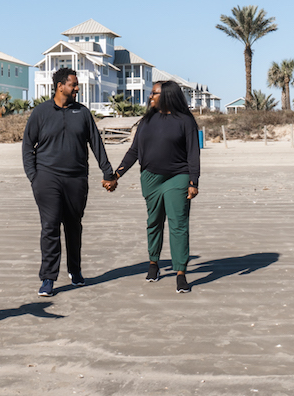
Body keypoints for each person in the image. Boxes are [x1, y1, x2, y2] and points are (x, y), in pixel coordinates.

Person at [22, 67, 116, 297]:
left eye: (77, 85)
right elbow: (27, 146)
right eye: (73, 85)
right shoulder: (40, 113)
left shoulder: (82, 112)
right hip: (47, 179)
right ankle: (48, 278)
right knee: (50, 227)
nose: (77, 88)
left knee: (74, 227)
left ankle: (75, 271)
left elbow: (96, 143)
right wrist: (34, 177)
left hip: (76, 179)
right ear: (60, 86)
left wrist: (108, 172)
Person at [110, 81, 200, 293]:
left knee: (178, 224)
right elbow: (134, 151)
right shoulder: (146, 121)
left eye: (154, 93)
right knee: (154, 221)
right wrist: (117, 175)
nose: (150, 97)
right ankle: (153, 263)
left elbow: (193, 153)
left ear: (167, 95)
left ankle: (180, 273)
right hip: (150, 178)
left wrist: (193, 181)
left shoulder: (185, 121)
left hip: (178, 177)